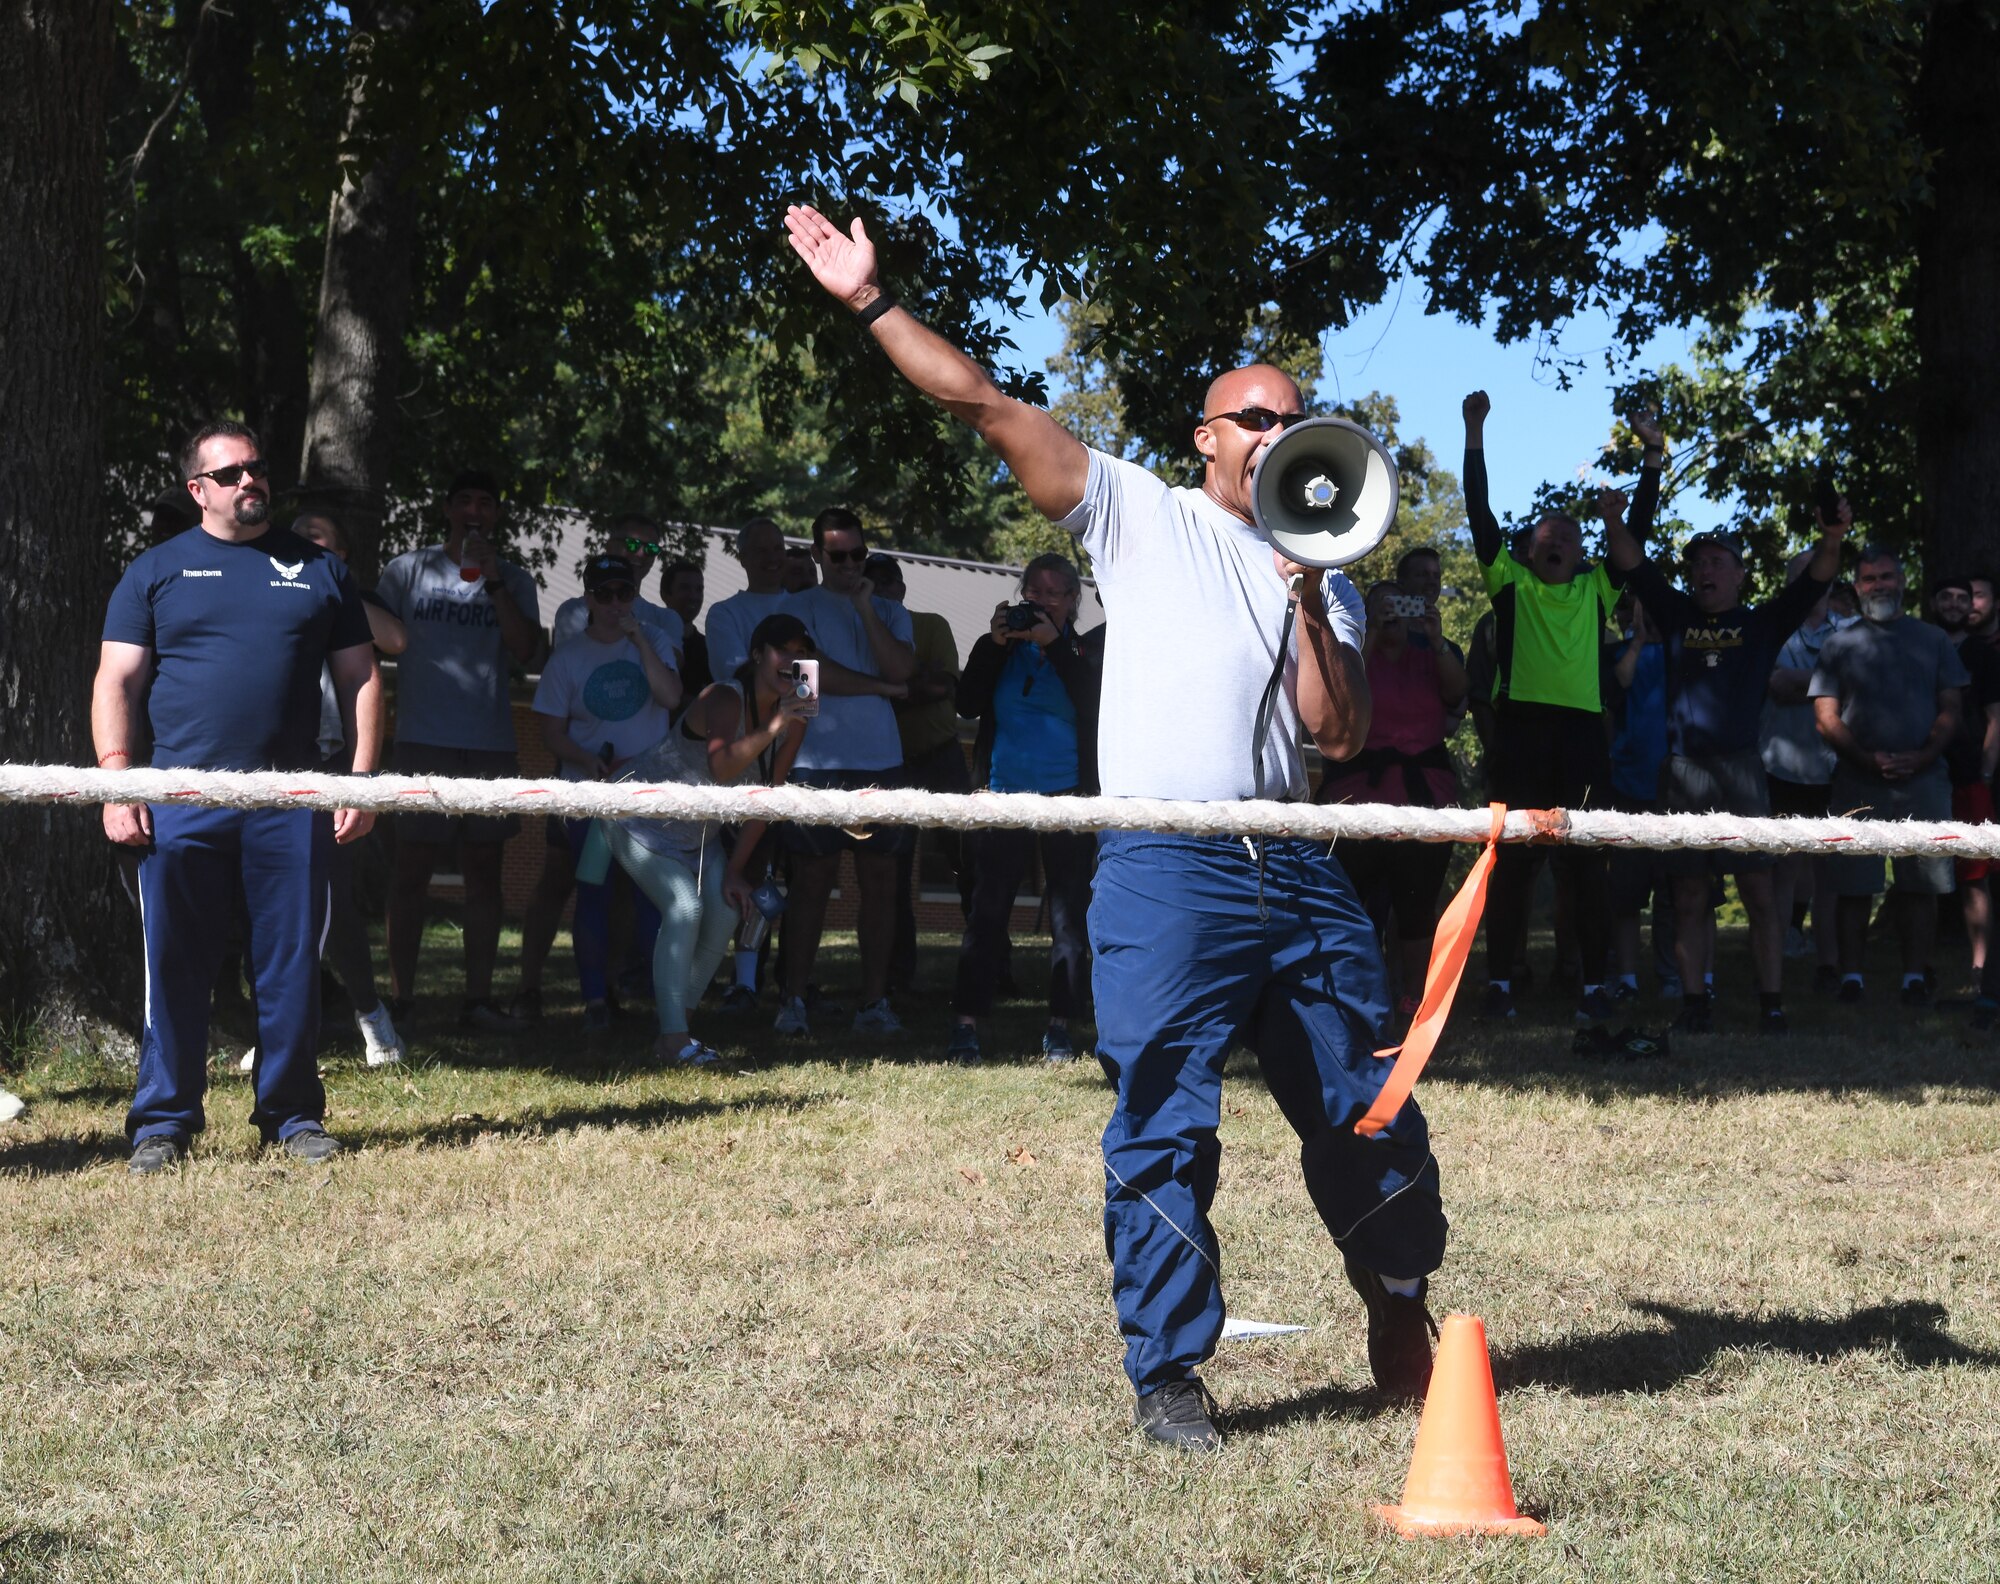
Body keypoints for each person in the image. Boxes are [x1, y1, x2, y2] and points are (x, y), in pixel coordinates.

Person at [787, 201, 1446, 1450]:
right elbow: (984, 404)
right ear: (1204, 439)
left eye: (1293, 416)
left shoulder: (1333, 568)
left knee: (1370, 1106)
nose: (1279, 432)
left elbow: (1337, 734)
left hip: (1299, 873)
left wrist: (1309, 598)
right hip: (1163, 864)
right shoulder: (1139, 512)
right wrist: (871, 302)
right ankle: (1168, 1374)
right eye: (1255, 416)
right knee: (1160, 1109)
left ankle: (1396, 1290)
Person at [93, 421, 379, 1174]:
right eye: (230, 473)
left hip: (293, 799)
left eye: (256, 468)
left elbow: (361, 677)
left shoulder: (318, 570)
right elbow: (115, 682)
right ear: (198, 491)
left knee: (288, 968)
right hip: (180, 798)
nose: (249, 481)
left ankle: (290, 1114)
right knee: (176, 965)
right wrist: (117, 784)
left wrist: (360, 777)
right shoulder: (153, 571)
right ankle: (163, 1122)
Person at [1599, 489, 1845, 1035]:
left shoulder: (1762, 624)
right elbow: (1632, 561)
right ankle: (1694, 1003)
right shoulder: (1677, 613)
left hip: (1742, 770)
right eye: (1696, 562)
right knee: (1687, 894)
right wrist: (1615, 519)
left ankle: (1771, 1003)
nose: (1703, 569)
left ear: (1739, 574)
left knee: (1759, 891)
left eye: (1716, 561)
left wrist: (1832, 537)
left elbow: (1817, 580)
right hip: (1683, 770)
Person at [1467, 393, 1648, 1024]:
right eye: (1545, 535)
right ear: (1526, 551)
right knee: (1512, 868)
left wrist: (1649, 464)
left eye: (1569, 536)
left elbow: (1637, 536)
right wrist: (1474, 434)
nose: (1558, 540)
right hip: (1521, 735)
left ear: (1580, 553)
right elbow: (1480, 514)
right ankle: (1500, 985)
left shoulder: (1598, 588)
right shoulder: (1510, 584)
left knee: (1584, 869)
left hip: (1580, 740)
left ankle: (1593, 986)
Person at [374, 469, 541, 1031]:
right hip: (423, 738)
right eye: (465, 500)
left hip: (489, 744)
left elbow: (526, 652)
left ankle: (477, 1000)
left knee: (484, 873)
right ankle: (401, 999)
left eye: (486, 502)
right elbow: (373, 639)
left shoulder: (515, 579)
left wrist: (493, 582)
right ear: (447, 509)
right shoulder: (407, 570)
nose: (475, 510)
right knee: (411, 871)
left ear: (495, 516)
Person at [612, 612, 817, 1061]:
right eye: (785, 651)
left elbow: (765, 801)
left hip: (697, 831)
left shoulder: (796, 720)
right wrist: (775, 726)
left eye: (803, 655)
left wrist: (737, 872)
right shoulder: (725, 696)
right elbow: (724, 768)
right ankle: (673, 1040)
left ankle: (676, 1028)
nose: (794, 661)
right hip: (638, 814)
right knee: (684, 908)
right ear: (759, 654)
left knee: (726, 913)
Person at [949, 552, 1105, 1064]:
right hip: (1002, 794)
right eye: (1032, 592)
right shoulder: (994, 647)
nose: (1040, 602)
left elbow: (1092, 705)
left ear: (1073, 601)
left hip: (1067, 799)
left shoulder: (1085, 653)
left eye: (1053, 593)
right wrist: (997, 646)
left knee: (1068, 917)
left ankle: (1061, 1025)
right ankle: (966, 1025)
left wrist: (1054, 647)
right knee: (987, 912)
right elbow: (967, 704)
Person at [772, 506, 917, 1036]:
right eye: (838, 555)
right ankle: (793, 1001)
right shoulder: (795, 609)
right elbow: (811, 681)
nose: (850, 563)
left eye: (859, 554)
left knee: (881, 885)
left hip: (882, 760)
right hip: (814, 763)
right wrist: (881, 688)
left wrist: (867, 611)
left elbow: (903, 668)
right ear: (817, 555)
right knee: (811, 884)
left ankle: (874, 1004)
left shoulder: (889, 610)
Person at [520, 526, 674, 1020]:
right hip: (588, 794)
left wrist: (640, 642)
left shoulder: (656, 639)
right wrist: (588, 760)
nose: (614, 603)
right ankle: (594, 1000)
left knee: (654, 896)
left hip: (650, 794)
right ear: (588, 597)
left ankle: (657, 999)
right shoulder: (567, 656)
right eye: (604, 594)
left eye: (623, 593)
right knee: (594, 894)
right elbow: (550, 733)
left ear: (634, 595)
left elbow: (672, 698)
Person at [1810, 547, 1967, 1004]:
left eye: (1885, 576)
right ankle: (1852, 978)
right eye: (1868, 579)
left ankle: (1914, 978)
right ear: (1857, 588)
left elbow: (1952, 708)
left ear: (1901, 582)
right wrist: (1865, 757)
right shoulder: (1838, 644)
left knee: (1921, 885)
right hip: (1857, 781)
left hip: (1925, 780)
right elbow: (1824, 716)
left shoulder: (1933, 639)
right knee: (1853, 885)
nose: (1878, 584)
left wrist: (1922, 756)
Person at [1315, 581, 1466, 1021]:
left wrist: (1436, 641)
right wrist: (1373, 635)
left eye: (1402, 604)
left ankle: (1414, 1000)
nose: (1395, 615)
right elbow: (1338, 696)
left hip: (1424, 798)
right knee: (1347, 903)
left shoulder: (1432, 652)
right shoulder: (1355, 651)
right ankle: (1345, 993)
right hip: (1357, 798)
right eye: (1385, 605)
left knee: (1417, 906)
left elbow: (1458, 693)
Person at [293, 506, 409, 1066]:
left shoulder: (346, 594)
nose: (306, 547)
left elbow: (394, 640)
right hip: (267, 764)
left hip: (333, 760)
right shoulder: (264, 588)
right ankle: (280, 1031)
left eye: (319, 540)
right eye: (298, 543)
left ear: (341, 555)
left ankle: (371, 1015)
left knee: (332, 903)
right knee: (266, 902)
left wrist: (331, 583)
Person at [865, 553, 974, 998]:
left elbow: (946, 687)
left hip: (942, 757)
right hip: (890, 764)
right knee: (892, 872)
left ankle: (989, 965)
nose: (881, 595)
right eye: (871, 588)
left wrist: (883, 690)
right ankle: (896, 976)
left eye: (887, 585)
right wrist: (908, 685)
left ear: (901, 589)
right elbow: (919, 686)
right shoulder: (860, 635)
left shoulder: (931, 625)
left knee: (968, 864)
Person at [705, 517, 799, 1008]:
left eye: (778, 547)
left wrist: (791, 716)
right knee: (747, 872)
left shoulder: (804, 606)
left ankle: (793, 988)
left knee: (798, 881)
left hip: (799, 754)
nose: (771, 556)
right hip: (745, 757)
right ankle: (743, 982)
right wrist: (779, 716)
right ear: (741, 557)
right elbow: (732, 678)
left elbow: (808, 690)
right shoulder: (724, 613)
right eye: (759, 548)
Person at [1761, 553, 1848, 994]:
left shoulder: (1849, 632)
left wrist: (1801, 682)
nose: (1813, 584)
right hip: (1781, 768)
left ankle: (1828, 966)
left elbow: (1857, 685)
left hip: (1835, 768)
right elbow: (1774, 684)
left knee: (1829, 873)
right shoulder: (1771, 629)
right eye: (1801, 578)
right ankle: (1774, 967)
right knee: (1783, 870)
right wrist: (1829, 683)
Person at [1601, 592, 1679, 1000]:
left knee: (1676, 892)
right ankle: (1628, 980)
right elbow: (1617, 691)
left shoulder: (1681, 653)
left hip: (1677, 788)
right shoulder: (1618, 654)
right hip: (1628, 786)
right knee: (1626, 893)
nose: (1642, 617)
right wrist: (1636, 641)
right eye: (1633, 611)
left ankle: (1673, 975)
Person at [1930, 575, 2000, 979]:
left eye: (1963, 597)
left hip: (1971, 776)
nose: (1956, 604)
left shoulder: (1983, 655)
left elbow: (1996, 718)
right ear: (1935, 602)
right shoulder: (1921, 646)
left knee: (1975, 876)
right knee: (1921, 871)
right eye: (1947, 597)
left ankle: (1980, 966)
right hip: (1925, 772)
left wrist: (1987, 772)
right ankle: (1919, 968)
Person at [660, 558, 712, 694]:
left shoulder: (709, 649)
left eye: (699, 589)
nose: (693, 596)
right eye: (684, 588)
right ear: (664, 594)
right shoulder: (650, 643)